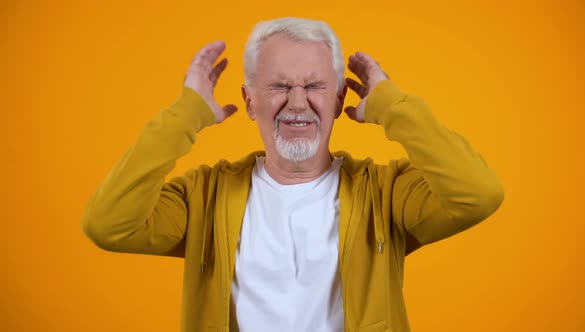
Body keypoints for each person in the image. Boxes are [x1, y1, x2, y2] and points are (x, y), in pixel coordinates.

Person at [82, 17, 504, 332]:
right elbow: (108, 224)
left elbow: (478, 193)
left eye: (316, 86)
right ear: (249, 101)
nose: (298, 103)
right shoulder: (203, 196)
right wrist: (185, 116)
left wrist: (393, 106)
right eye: (279, 86)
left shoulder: (386, 192)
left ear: (340, 100)